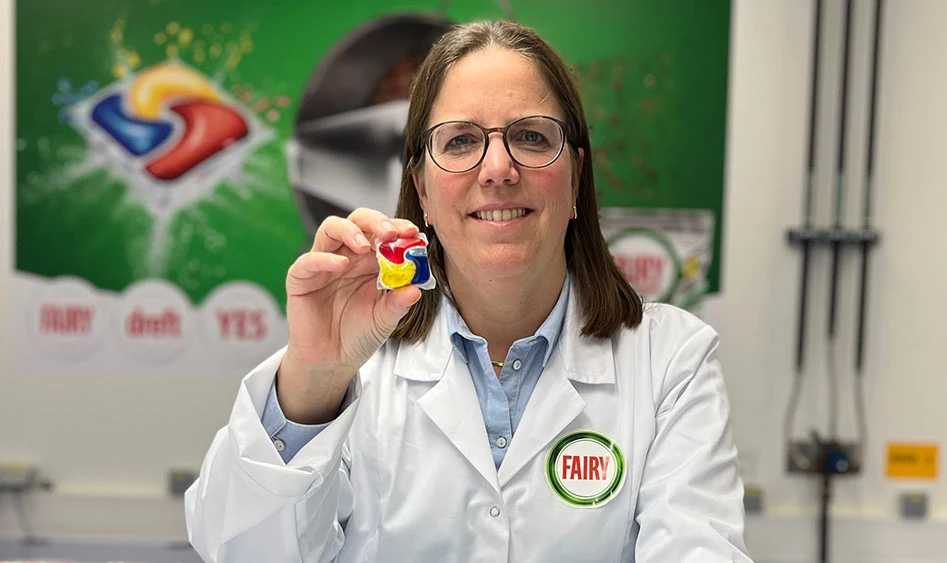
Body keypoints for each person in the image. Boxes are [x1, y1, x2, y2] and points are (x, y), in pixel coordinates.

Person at [185, 20, 754, 563]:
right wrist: (315, 377)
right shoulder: (352, 366)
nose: (498, 169)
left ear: (577, 178)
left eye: (531, 136)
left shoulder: (669, 362)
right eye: (460, 142)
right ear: (422, 191)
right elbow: (239, 550)